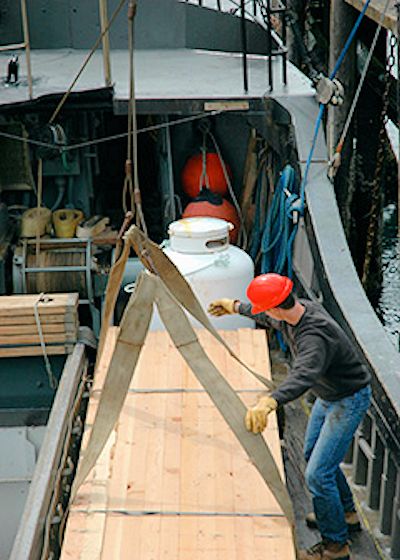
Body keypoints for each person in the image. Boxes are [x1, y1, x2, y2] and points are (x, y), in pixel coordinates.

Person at [208, 273, 371, 560]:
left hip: (347, 399)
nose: (266, 314)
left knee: (318, 475)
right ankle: (345, 514)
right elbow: (268, 318)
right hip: (330, 394)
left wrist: (270, 401)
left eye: (265, 309)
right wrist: (233, 306)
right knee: (313, 455)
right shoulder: (296, 311)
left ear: (274, 307)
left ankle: (336, 546)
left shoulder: (314, 336)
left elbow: (303, 374)